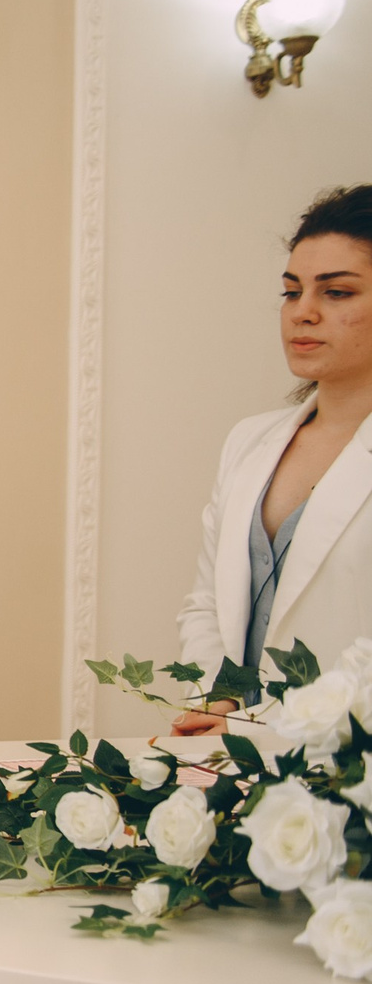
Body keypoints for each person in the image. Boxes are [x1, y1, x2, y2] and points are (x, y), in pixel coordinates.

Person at [174, 185, 372, 735]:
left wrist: (261, 728)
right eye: (291, 292)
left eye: (336, 293)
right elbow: (207, 604)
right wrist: (217, 701)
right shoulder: (250, 440)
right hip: (233, 760)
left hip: (349, 767)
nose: (302, 312)